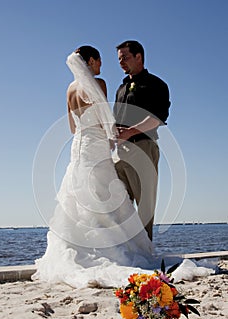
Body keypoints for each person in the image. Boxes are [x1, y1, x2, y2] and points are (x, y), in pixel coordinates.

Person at [32, 45, 213, 289]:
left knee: (103, 201)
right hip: (106, 150)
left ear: (139, 56)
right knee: (114, 201)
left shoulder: (71, 89)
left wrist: (112, 133)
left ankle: (102, 249)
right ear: (92, 61)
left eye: (124, 57)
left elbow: (73, 128)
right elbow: (106, 119)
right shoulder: (106, 85)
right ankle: (127, 253)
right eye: (107, 59)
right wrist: (108, 134)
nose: (115, 63)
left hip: (90, 148)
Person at [114, 40, 171, 241]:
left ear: (139, 56)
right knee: (118, 203)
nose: (121, 63)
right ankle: (123, 251)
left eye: (125, 58)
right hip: (119, 153)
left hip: (144, 148)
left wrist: (130, 132)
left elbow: (158, 117)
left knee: (145, 205)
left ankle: (145, 253)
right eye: (119, 59)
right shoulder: (120, 88)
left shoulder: (156, 84)